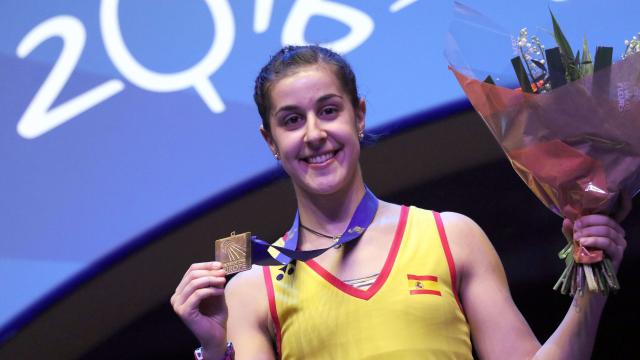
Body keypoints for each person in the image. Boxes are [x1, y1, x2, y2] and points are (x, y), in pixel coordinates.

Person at [171, 45, 628, 359]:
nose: (314, 134)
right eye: (292, 120)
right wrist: (215, 351)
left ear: (360, 115)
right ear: (270, 141)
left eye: (329, 110)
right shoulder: (252, 287)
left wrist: (591, 288)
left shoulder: (451, 237)